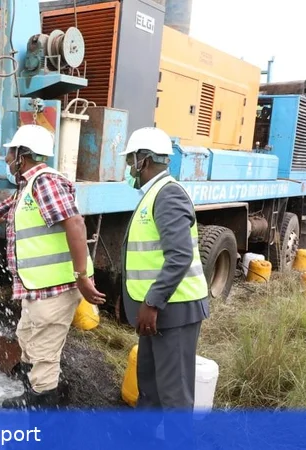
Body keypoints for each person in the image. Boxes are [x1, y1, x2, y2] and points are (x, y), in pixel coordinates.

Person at [0, 124, 106, 410]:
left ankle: (42, 415)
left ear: (22, 155)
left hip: (55, 288)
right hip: (37, 287)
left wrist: (82, 276)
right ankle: (32, 397)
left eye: (10, 152)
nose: (6, 158)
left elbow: (75, 223)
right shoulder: (27, 188)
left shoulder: (45, 183)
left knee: (43, 354)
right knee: (27, 340)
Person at [119, 127, 209, 444]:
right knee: (150, 385)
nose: (128, 168)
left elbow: (180, 255)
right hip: (157, 313)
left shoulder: (168, 194)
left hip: (174, 310)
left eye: (130, 161)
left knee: (174, 396)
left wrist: (152, 302)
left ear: (143, 161)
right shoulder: (154, 193)